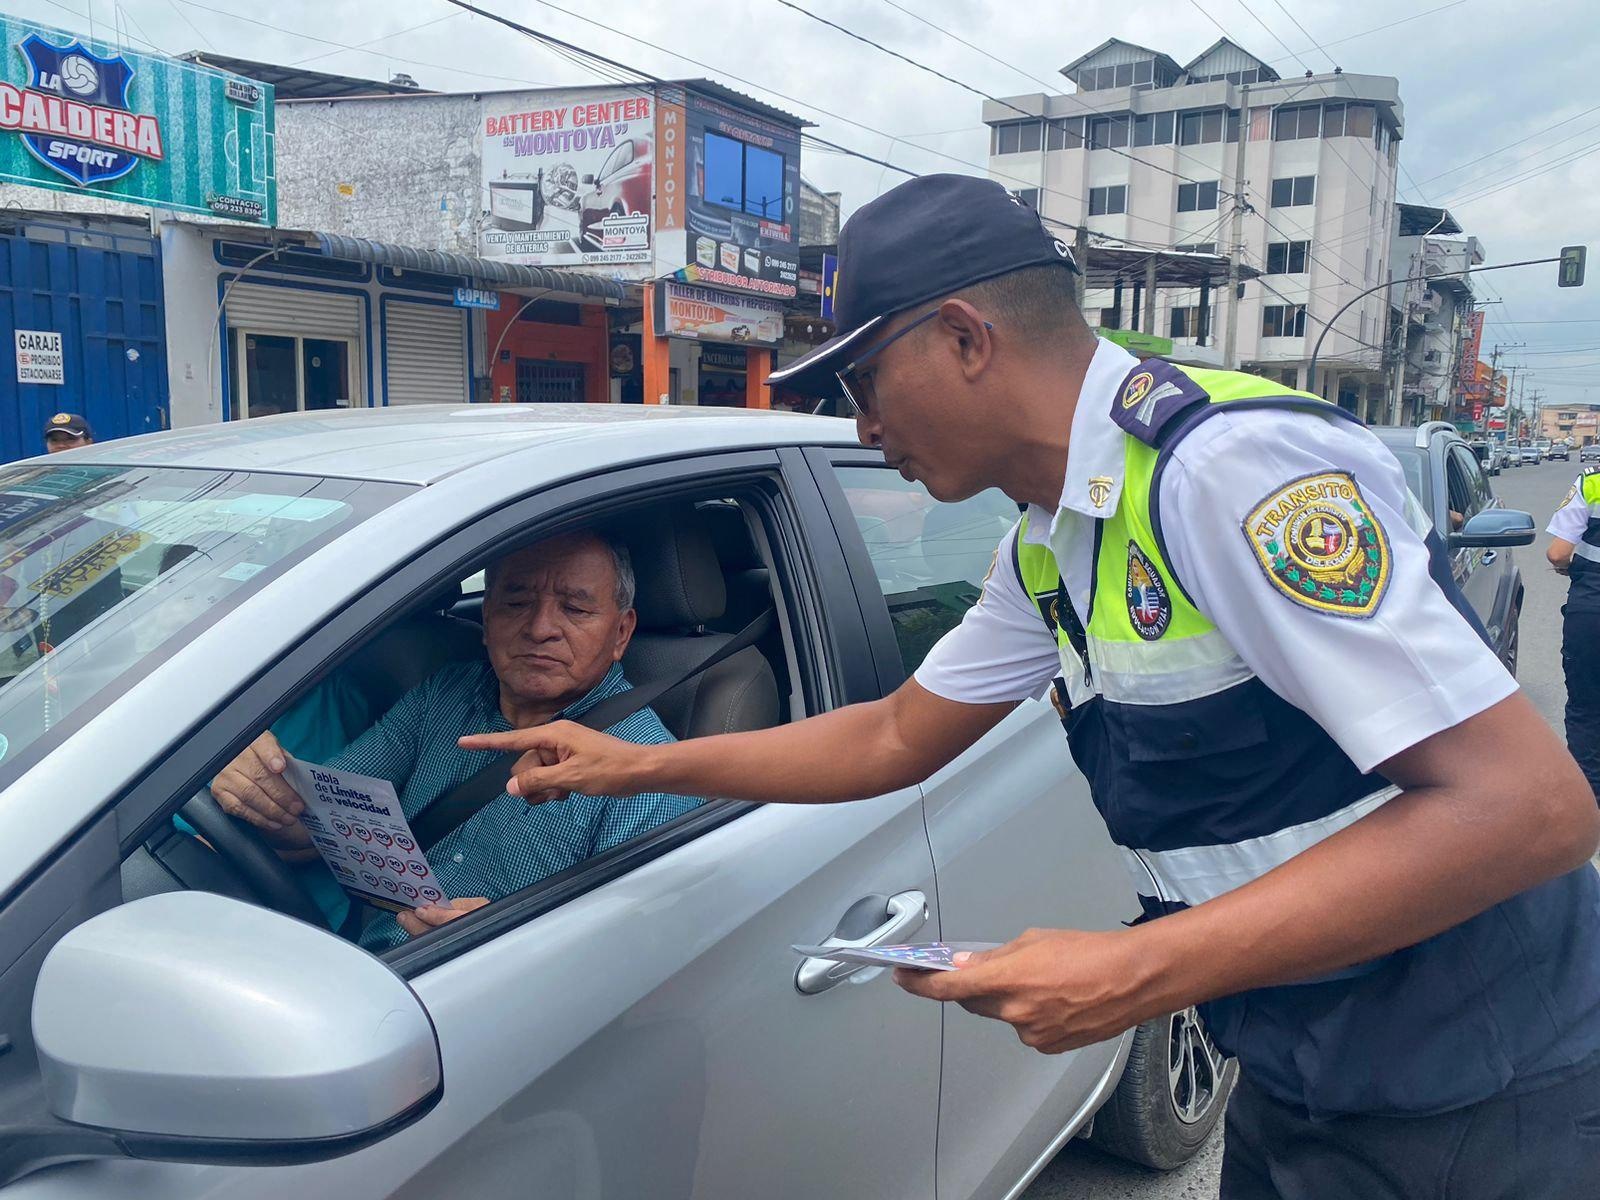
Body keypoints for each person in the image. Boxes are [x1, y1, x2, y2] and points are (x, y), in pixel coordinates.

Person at [463, 176, 1600, 1198]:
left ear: (964, 337)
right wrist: (636, 763)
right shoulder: (1050, 542)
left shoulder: (1225, 470)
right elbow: (892, 736)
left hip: (1478, 1078)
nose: (863, 424)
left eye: (865, 379)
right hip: (1295, 1063)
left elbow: (1529, 807)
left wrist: (1135, 970)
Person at [211, 529, 700, 950]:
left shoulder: (641, 768)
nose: (540, 628)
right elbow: (318, 821)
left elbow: (629, 953)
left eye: (574, 608)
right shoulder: (445, 693)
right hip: (363, 964)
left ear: (621, 634)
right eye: (516, 603)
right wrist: (259, 787)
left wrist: (504, 941)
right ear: (486, 618)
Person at [1547, 466, 1600, 801]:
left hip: (1592, 610)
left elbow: (1558, 552)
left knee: (1586, 707)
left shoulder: (1593, 481)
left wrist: (1568, 568)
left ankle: (1590, 800)